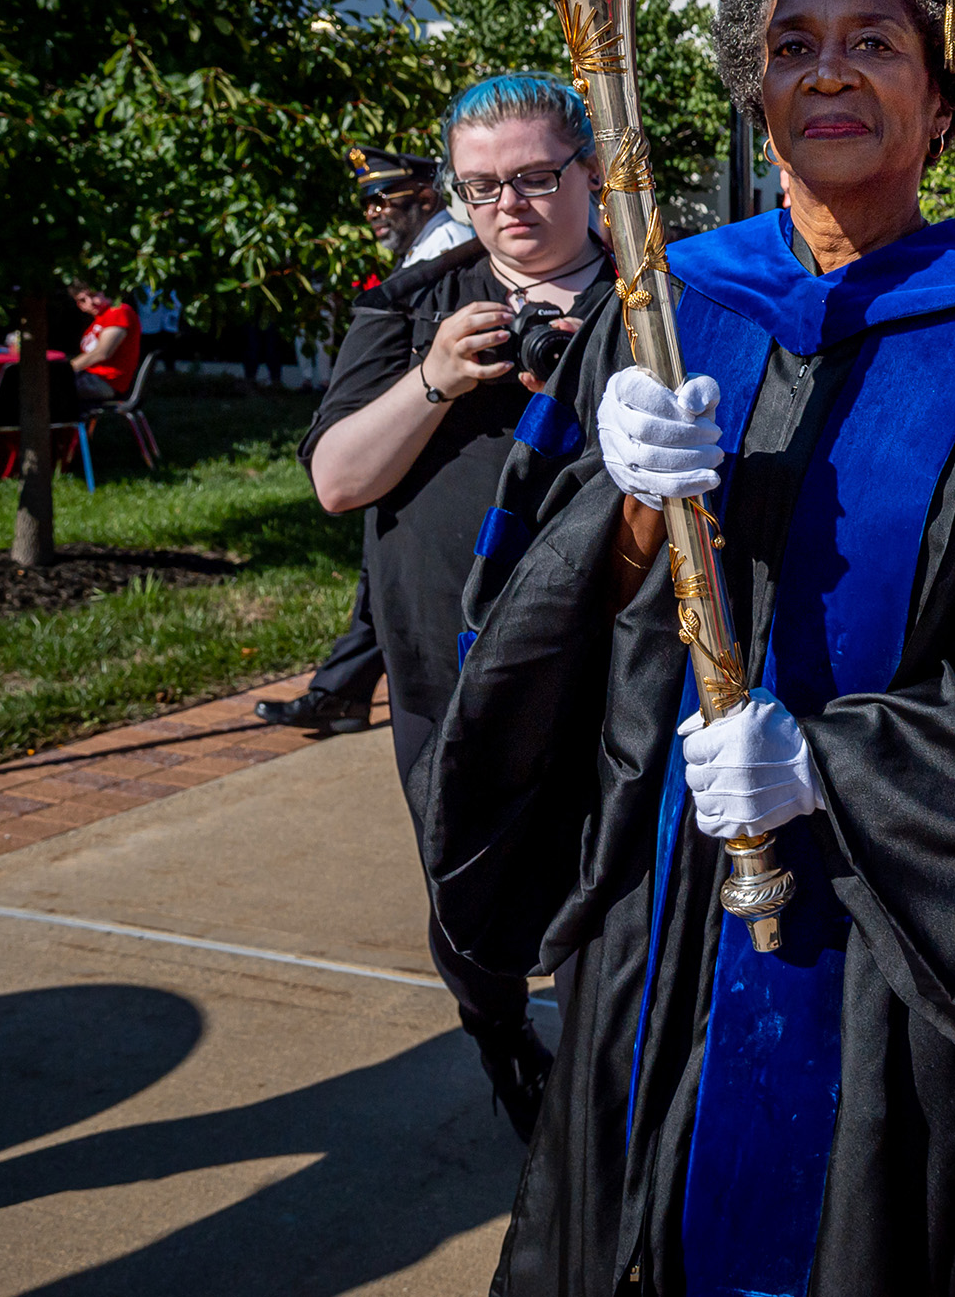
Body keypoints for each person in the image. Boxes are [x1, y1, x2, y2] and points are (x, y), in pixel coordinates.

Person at [416, 0, 955, 1297]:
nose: (827, 69)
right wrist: (623, 514)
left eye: (874, 42)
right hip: (679, 895)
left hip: (911, 925)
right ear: (755, 90)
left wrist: (831, 764)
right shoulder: (666, 302)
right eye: (792, 44)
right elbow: (523, 613)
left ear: (942, 92)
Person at [299, 75, 614, 1140]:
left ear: (592, 169)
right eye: (480, 187)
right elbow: (338, 480)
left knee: (608, 896)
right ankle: (496, 1032)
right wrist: (435, 377)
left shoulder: (656, 298)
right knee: (466, 901)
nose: (508, 207)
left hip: (612, 662)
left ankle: (608, 1095)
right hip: (450, 664)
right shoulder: (411, 303)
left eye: (534, 176)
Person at [260, 144, 477, 738]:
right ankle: (342, 693)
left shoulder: (449, 258)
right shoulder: (421, 254)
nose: (374, 213)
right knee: (378, 583)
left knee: (388, 586)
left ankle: (340, 693)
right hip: (391, 454)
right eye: (367, 204)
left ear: (427, 195)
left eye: (384, 199)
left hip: (430, 458)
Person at [353, 142, 477, 268]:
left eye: (380, 202)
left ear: (426, 199)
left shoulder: (450, 251)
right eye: (366, 205)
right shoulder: (423, 249)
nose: (370, 215)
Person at [65, 285, 141, 404]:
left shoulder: (118, 311)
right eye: (82, 300)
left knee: (49, 387)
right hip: (93, 378)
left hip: (107, 382)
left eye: (93, 295)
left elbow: (102, 353)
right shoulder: (97, 321)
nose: (90, 302)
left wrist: (65, 369)